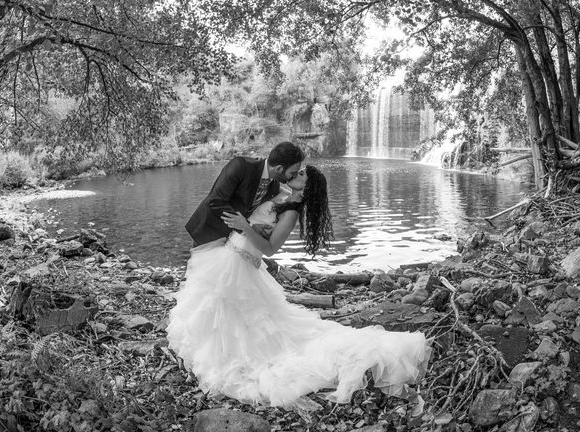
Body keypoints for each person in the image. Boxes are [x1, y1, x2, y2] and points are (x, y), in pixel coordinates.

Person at [168, 165, 431, 407]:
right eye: (297, 169)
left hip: (239, 263)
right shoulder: (280, 195)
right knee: (223, 313)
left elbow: (270, 249)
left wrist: (243, 226)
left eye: (302, 172)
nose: (296, 173)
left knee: (245, 325)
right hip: (233, 259)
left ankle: (226, 358)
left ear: (307, 184)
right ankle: (215, 351)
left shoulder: (292, 212)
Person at [185, 141, 304, 247]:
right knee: (201, 270)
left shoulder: (274, 186)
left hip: (232, 240)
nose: (294, 177)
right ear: (278, 169)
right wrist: (248, 227)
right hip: (209, 231)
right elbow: (216, 201)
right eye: (293, 173)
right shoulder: (241, 166)